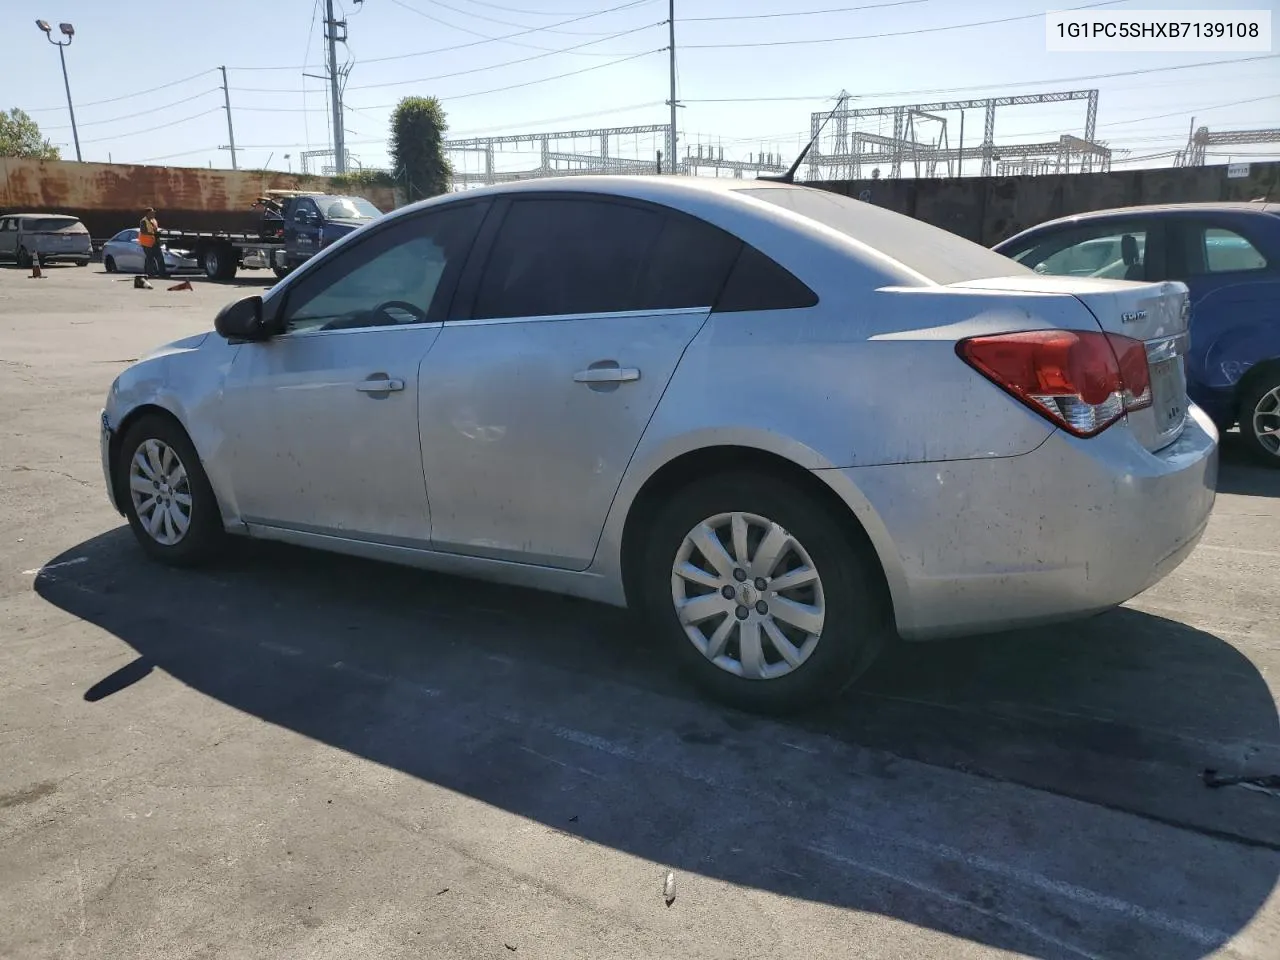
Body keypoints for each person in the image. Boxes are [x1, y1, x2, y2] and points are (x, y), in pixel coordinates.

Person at [138, 206, 167, 278]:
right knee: (150, 259)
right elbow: (143, 231)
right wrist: (154, 233)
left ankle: (162, 274)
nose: (153, 214)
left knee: (160, 258)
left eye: (154, 213)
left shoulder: (154, 220)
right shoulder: (143, 221)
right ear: (147, 214)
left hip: (155, 242)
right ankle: (150, 275)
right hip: (147, 243)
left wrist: (158, 233)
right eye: (152, 213)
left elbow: (155, 230)